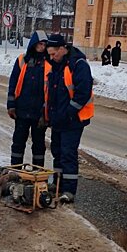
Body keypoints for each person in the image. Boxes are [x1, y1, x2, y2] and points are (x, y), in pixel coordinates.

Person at [46, 34, 94, 203]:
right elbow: (52, 93)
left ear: (62, 49)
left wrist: (68, 113)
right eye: (50, 55)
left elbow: (82, 93)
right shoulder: (57, 65)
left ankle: (69, 190)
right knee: (57, 152)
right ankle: (57, 184)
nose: (52, 58)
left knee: (68, 154)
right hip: (59, 119)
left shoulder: (78, 65)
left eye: (54, 54)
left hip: (73, 120)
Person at [7, 30, 50, 167]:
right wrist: (11, 105)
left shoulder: (49, 63)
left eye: (44, 45)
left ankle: (37, 173)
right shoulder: (22, 60)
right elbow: (13, 83)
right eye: (39, 44)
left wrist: (47, 113)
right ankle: (15, 170)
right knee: (18, 142)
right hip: (22, 109)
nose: (42, 47)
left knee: (38, 145)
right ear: (33, 44)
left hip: (39, 112)